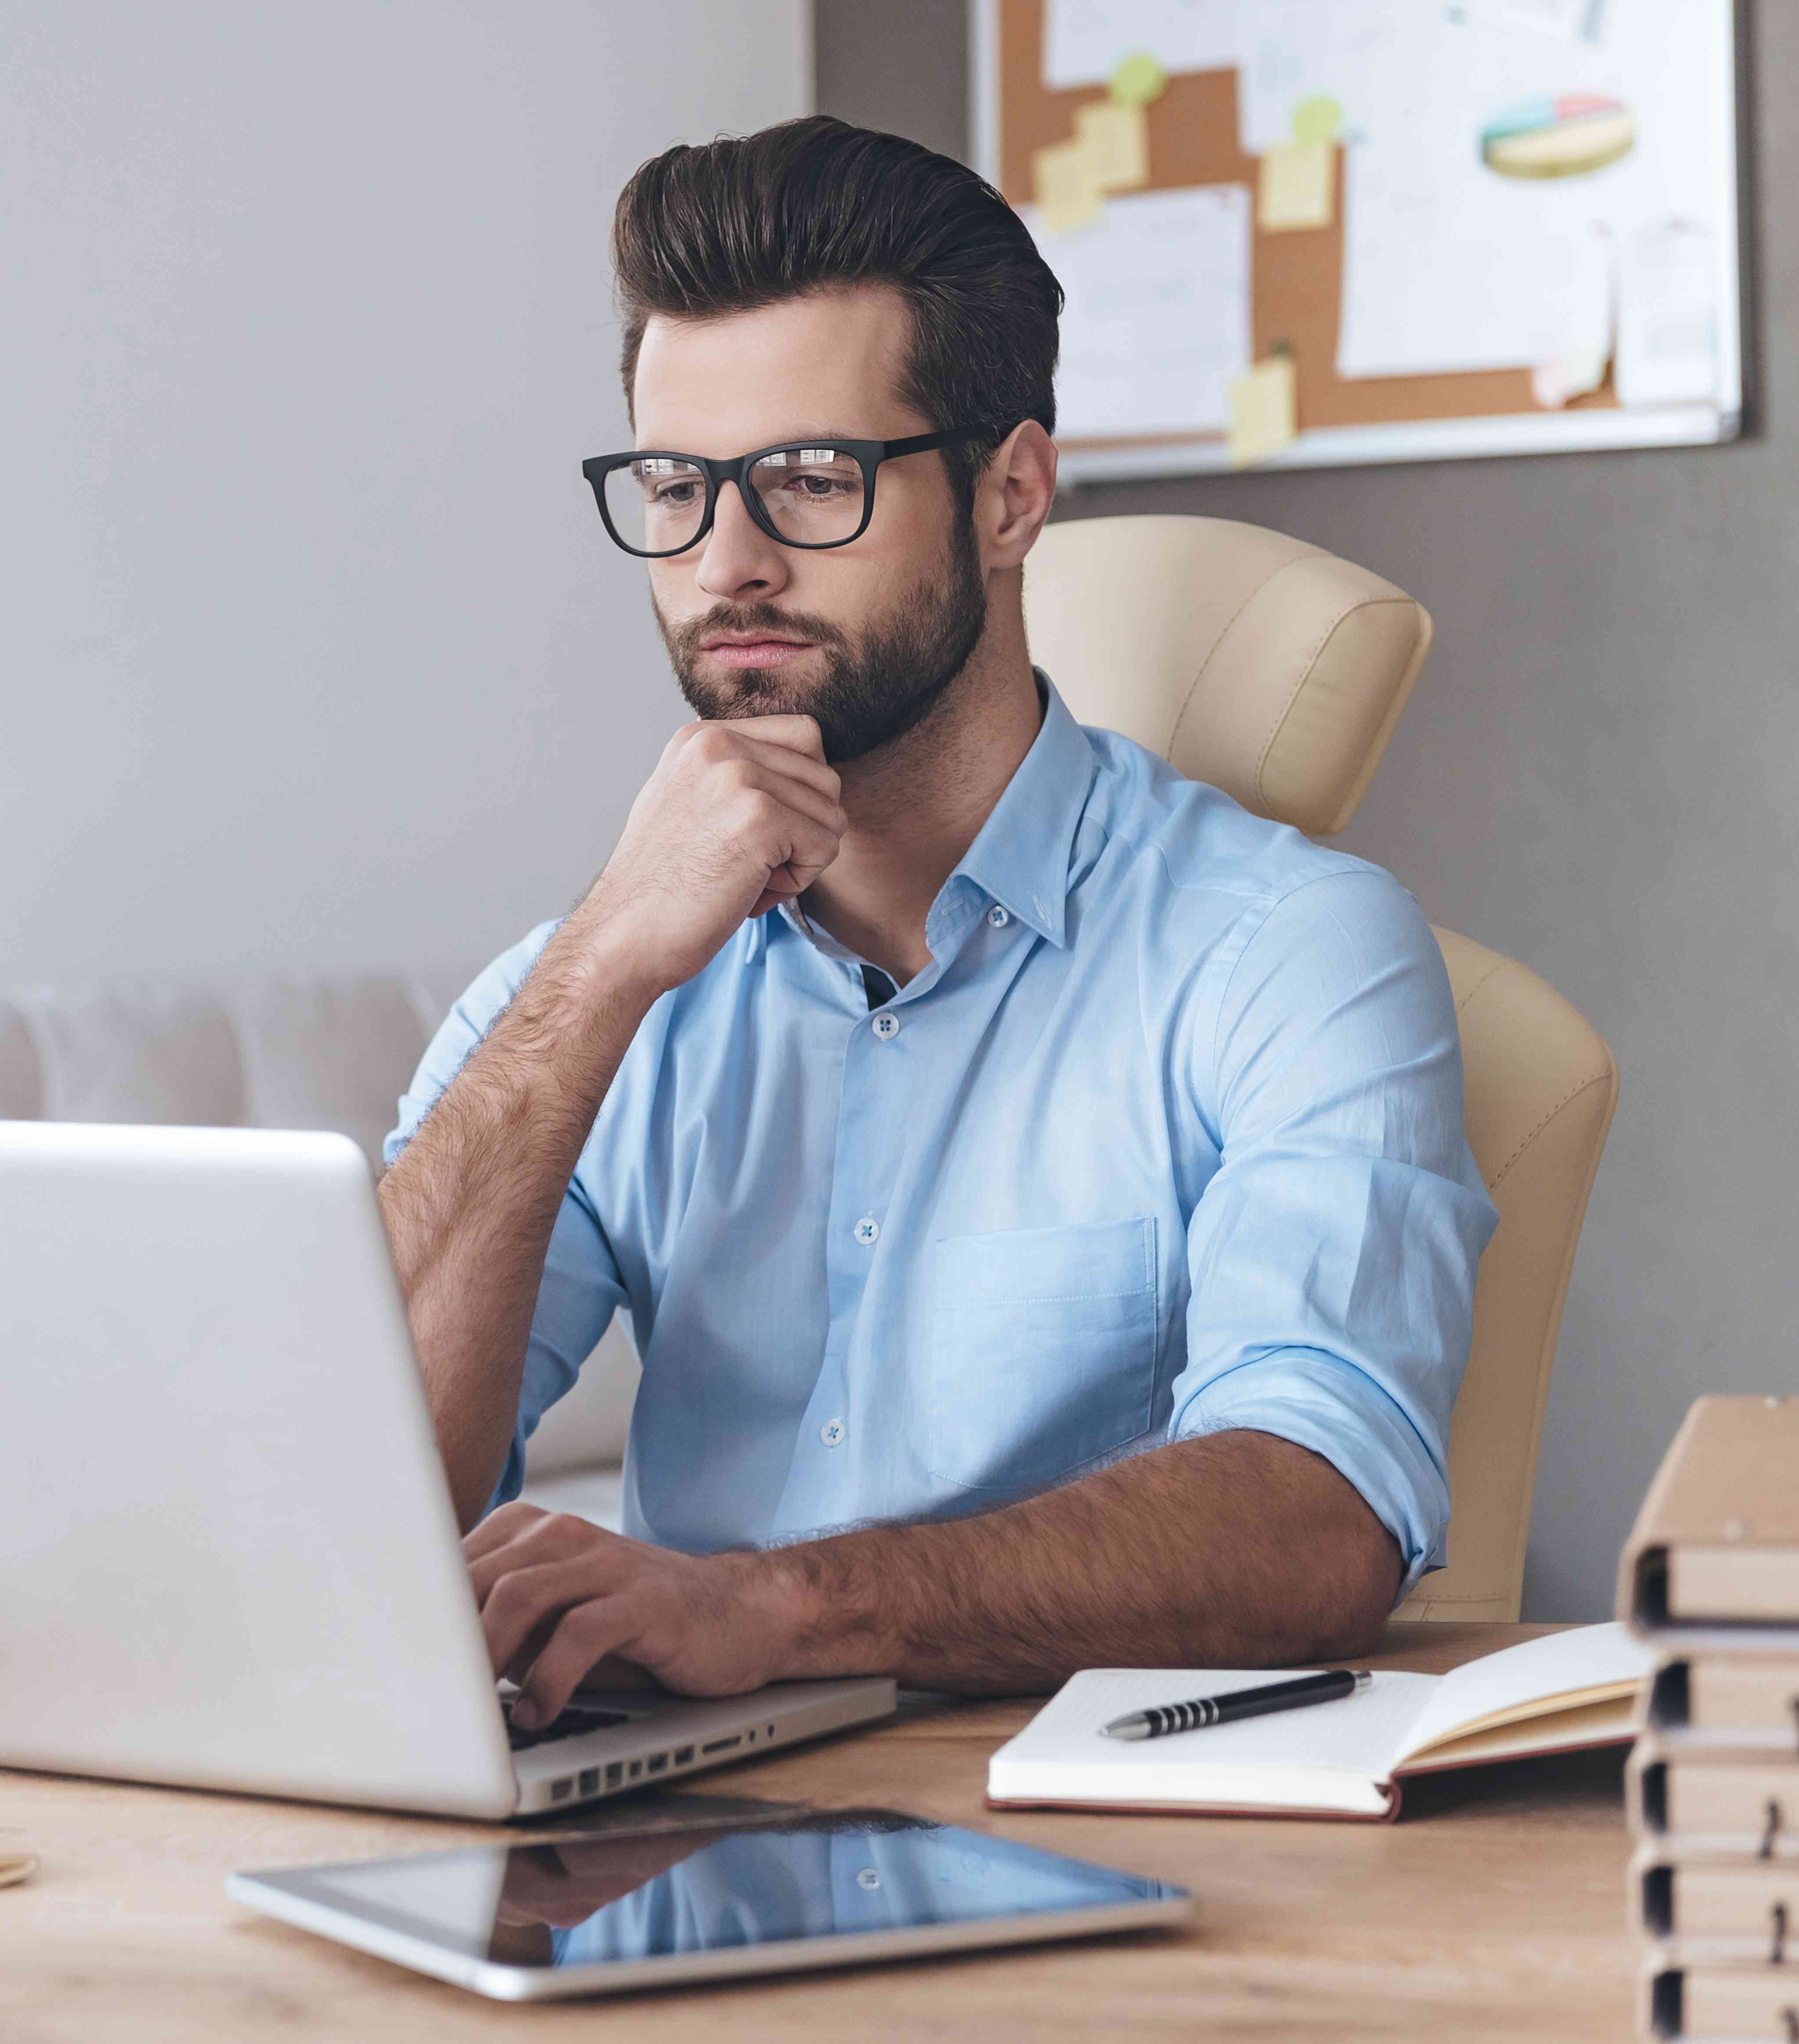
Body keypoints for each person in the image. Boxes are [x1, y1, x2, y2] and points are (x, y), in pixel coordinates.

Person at [377, 116, 1497, 1730]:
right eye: (677, 487)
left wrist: (765, 1608)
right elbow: (354, 1498)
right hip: (673, 1850)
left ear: (1012, 495)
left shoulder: (1292, 954)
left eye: (813, 483)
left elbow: (1322, 1511)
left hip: (1114, 1864)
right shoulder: (593, 980)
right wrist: (601, 973)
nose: (725, 566)